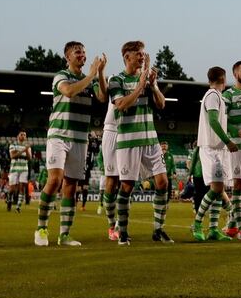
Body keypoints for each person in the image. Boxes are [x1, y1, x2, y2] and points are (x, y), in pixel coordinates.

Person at [34, 42, 107, 247]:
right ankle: (41, 228)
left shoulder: (89, 79)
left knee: (71, 186)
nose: (82, 54)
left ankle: (64, 234)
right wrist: (91, 74)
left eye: (84, 51)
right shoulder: (61, 75)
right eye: (77, 52)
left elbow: (102, 97)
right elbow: (68, 92)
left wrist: (99, 74)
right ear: (68, 57)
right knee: (55, 179)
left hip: (80, 137)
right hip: (59, 134)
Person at [109, 40, 172, 245]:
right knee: (126, 186)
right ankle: (124, 233)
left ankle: (158, 229)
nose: (142, 57)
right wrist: (140, 84)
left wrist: (152, 85)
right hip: (128, 141)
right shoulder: (116, 79)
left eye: (144, 54)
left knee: (163, 182)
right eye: (138, 54)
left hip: (151, 139)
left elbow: (162, 104)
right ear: (127, 57)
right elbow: (121, 105)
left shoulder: (146, 79)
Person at [192, 67, 239, 242]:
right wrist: (228, 141)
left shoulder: (215, 96)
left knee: (219, 190)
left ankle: (213, 229)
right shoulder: (213, 95)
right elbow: (212, 120)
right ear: (223, 78)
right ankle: (197, 223)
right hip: (212, 148)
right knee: (217, 189)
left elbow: (219, 121)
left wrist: (235, 131)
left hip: (217, 148)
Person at [221, 60, 241, 240]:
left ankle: (231, 226)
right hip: (236, 146)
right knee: (239, 185)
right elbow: (222, 118)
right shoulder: (228, 95)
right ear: (235, 74)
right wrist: (235, 130)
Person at [99, 99, 120, 240]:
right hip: (112, 129)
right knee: (111, 181)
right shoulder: (115, 80)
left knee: (128, 181)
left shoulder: (142, 82)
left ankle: (121, 224)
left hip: (133, 130)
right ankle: (112, 225)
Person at [7, 132, 32, 213]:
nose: (23, 136)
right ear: (18, 136)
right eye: (21, 134)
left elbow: (29, 158)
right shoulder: (13, 145)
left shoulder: (27, 146)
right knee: (12, 189)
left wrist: (27, 150)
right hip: (14, 168)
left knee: (22, 188)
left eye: (25, 135)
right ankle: (9, 200)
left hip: (24, 168)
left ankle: (18, 207)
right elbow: (12, 156)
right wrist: (24, 150)